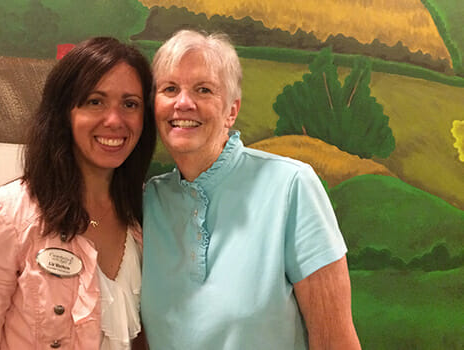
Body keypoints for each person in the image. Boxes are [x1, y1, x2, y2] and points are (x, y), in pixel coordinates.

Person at [140, 30, 361, 349]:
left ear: (232, 110)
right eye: (170, 89)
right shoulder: (148, 202)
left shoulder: (291, 188)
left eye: (204, 89)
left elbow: (334, 341)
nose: (184, 103)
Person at [0, 37, 155, 350]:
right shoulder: (4, 218)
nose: (115, 120)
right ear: (63, 113)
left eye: (130, 104)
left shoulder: (145, 213)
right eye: (95, 101)